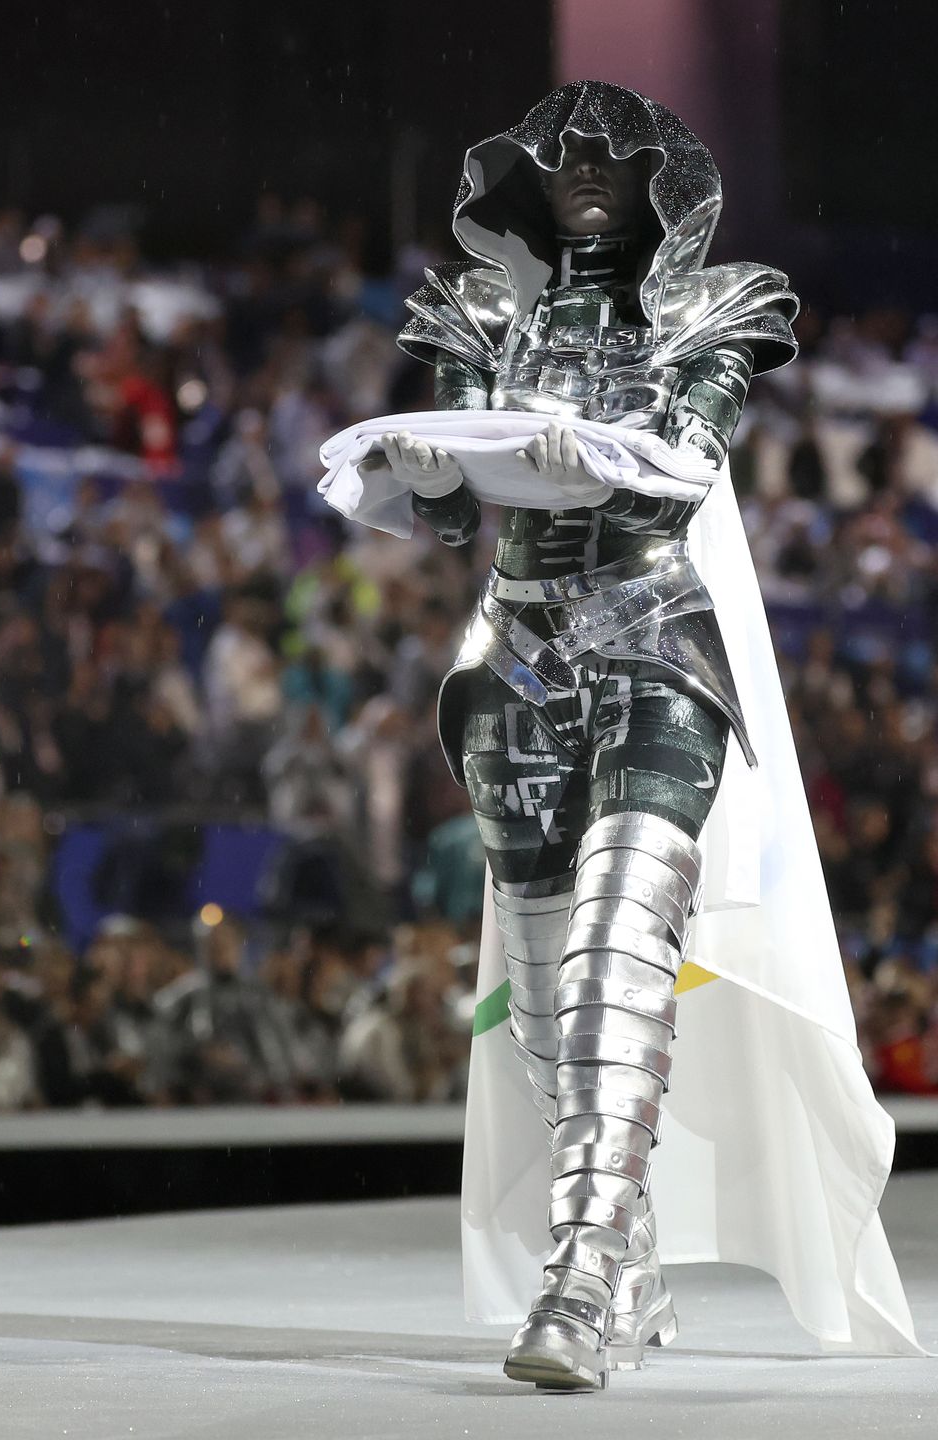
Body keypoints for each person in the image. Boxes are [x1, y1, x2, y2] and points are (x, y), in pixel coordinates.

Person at [353, 82, 918, 1390]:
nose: (588, 170)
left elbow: (693, 452)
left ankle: (584, 1271)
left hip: (658, 640)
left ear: (663, 169)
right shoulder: (480, 309)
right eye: (562, 157)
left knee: (620, 939)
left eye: (615, 151)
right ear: (528, 181)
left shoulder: (716, 304)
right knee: (548, 982)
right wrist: (435, 474)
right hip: (515, 658)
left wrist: (587, 455)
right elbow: (439, 496)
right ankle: (622, 1246)